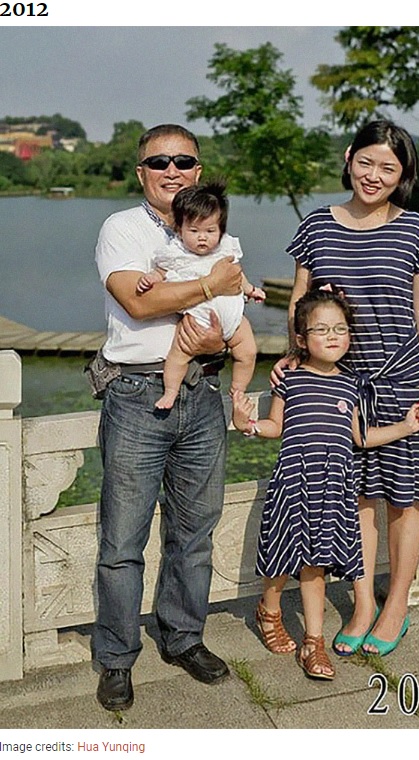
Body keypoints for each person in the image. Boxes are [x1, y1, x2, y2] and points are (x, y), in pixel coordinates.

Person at [271, 120, 419, 659]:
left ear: (402, 176)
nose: (374, 176)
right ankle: (363, 602)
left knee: (405, 499)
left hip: (402, 378)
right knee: (358, 500)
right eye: (366, 162)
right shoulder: (318, 227)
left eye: (388, 168)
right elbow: (300, 301)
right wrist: (295, 355)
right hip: (341, 385)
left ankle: (397, 605)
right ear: (349, 158)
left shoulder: (416, 231)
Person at [93, 124, 243, 712]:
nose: (172, 170)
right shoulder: (124, 229)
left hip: (202, 394)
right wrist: (210, 282)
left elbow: (229, 308)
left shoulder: (214, 227)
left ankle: (183, 637)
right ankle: (116, 657)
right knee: (122, 539)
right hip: (136, 396)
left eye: (184, 161)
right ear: (142, 173)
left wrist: (226, 336)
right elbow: (138, 300)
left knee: (195, 532)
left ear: (198, 171)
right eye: (160, 162)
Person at [232, 288, 419, 680]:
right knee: (281, 560)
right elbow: (275, 426)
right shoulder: (289, 378)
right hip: (294, 484)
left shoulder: (351, 385)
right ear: (301, 339)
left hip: (332, 489)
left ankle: (313, 643)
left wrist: (406, 426)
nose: (333, 336)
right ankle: (269, 610)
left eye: (341, 328)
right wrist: (247, 425)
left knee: (315, 564)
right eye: (321, 329)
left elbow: (361, 437)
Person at [136, 179, 265, 409]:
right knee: (177, 356)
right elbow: (160, 272)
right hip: (197, 320)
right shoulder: (175, 253)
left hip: (234, 320)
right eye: (193, 231)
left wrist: (251, 290)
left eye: (210, 231)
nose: (202, 237)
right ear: (179, 229)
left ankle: (238, 389)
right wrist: (151, 278)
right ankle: (171, 391)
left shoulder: (226, 249)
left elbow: (238, 275)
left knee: (248, 351)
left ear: (221, 230)